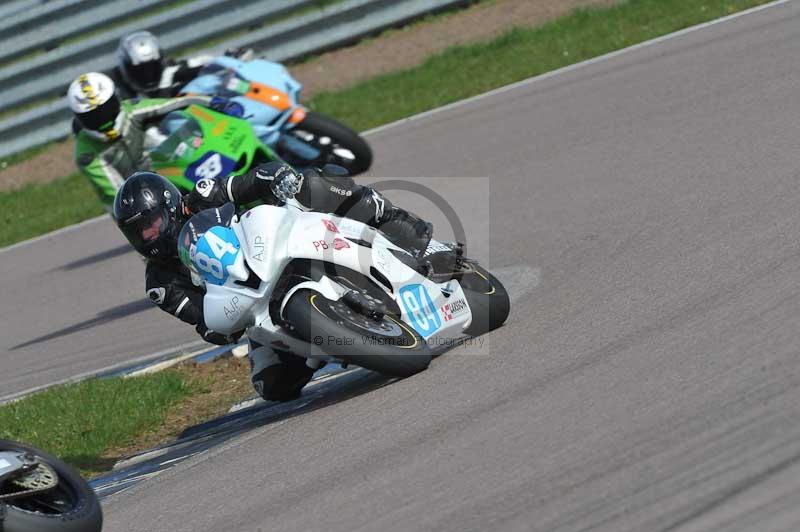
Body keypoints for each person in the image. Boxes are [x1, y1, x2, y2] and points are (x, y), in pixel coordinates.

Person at [112, 162, 433, 401]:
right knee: (272, 386)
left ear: (169, 205)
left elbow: (248, 182)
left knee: (312, 183)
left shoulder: (202, 196)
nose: (147, 236)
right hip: (252, 300)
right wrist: (221, 328)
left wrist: (273, 177)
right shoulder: (160, 282)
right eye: (137, 232)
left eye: (150, 224)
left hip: (275, 242)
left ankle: (389, 218)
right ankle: (332, 337)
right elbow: (202, 323)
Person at [67, 71, 218, 209]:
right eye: (93, 117)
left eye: (105, 110)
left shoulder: (131, 111)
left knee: (157, 133)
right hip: (131, 198)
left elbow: (175, 103)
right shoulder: (86, 154)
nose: (102, 120)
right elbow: (116, 191)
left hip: (161, 170)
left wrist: (214, 102)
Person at [113, 30, 253, 99]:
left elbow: (203, 61)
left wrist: (229, 58)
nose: (147, 74)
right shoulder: (126, 98)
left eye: (152, 68)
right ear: (127, 70)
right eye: (140, 71)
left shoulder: (172, 71)